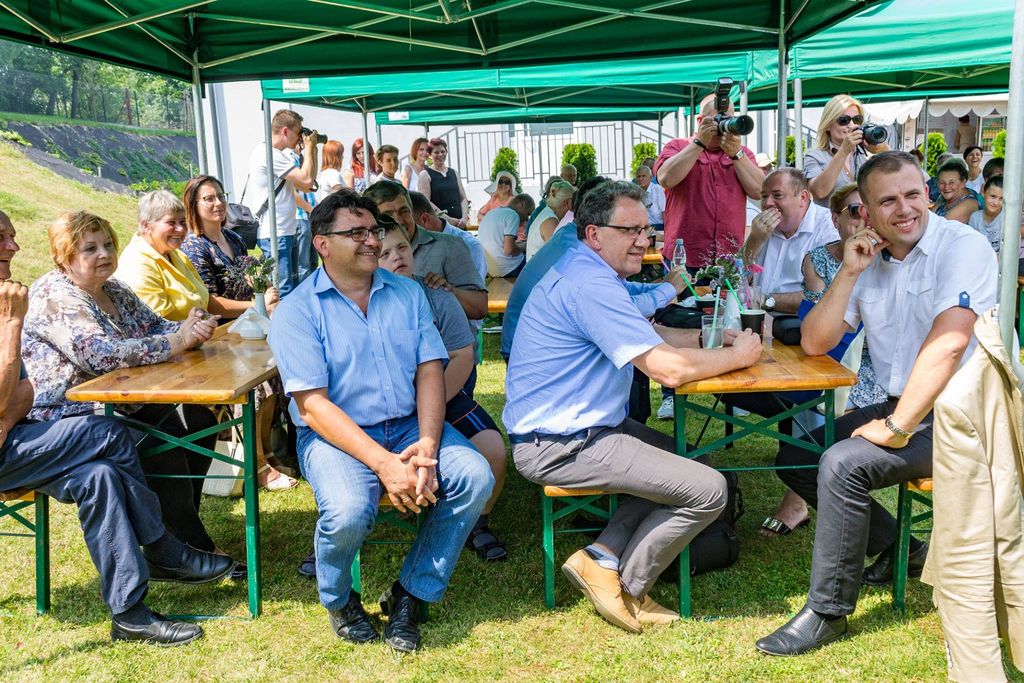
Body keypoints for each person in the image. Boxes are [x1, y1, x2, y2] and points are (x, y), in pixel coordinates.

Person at [755, 151, 997, 656]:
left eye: (913, 194)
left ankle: (827, 612)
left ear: (927, 194)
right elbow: (816, 342)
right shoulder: (867, 258)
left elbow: (950, 343)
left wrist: (898, 425)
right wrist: (847, 272)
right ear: (865, 212)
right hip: (898, 401)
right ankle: (901, 548)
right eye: (888, 201)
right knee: (797, 455)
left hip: (963, 415)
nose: (904, 209)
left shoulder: (963, 246)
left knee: (843, 463)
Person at [504, 181, 762, 633]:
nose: (644, 241)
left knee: (691, 464)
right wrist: (739, 356)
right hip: (562, 444)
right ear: (594, 234)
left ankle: (601, 555)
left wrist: (707, 340)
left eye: (646, 229)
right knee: (709, 489)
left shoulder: (591, 272)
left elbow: (650, 336)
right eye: (630, 230)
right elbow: (668, 370)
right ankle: (628, 585)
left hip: (585, 430)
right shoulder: (590, 284)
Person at [267, 190, 493, 652]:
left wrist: (427, 443)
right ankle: (339, 600)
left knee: (474, 477)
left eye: (373, 230)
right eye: (356, 233)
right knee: (349, 510)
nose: (372, 240)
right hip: (334, 436)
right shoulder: (296, 311)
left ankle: (411, 594)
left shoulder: (408, 293)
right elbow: (313, 407)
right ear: (322, 244)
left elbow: (430, 370)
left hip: (409, 424)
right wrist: (385, 464)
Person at [0, 210, 234, 646]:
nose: (14, 246)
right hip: (58, 424)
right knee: (115, 434)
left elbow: (17, 398)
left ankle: (129, 615)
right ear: (64, 256)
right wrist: (12, 328)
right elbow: (95, 358)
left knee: (102, 476)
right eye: (3, 238)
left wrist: (189, 328)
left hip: (26, 433)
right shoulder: (38, 299)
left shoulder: (18, 297)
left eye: (107, 244)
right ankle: (164, 546)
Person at [756, 183, 889, 539]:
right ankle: (802, 490)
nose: (864, 218)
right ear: (835, 219)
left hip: (875, 367)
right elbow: (817, 328)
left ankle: (799, 496)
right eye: (854, 210)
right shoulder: (818, 258)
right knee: (811, 381)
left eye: (870, 209)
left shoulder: (890, 258)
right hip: (828, 353)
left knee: (817, 390)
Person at [376, 219, 509, 561]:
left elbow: (463, 354)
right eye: (385, 253)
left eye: (402, 248)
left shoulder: (437, 295)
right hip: (387, 407)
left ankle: (477, 522)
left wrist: (430, 405)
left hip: (445, 394)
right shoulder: (366, 304)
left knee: (493, 448)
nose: (397, 257)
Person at [179, 176, 296, 492]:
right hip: (219, 336)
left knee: (275, 378)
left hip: (249, 329)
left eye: (221, 195)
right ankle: (257, 465)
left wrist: (267, 293)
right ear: (193, 205)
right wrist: (256, 304)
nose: (218, 203)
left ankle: (270, 453)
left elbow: (253, 279)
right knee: (257, 389)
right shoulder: (194, 247)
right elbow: (208, 301)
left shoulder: (233, 237)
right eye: (209, 198)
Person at [655, 92, 763, 272]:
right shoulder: (678, 146)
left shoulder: (742, 153)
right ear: (700, 121)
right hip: (685, 256)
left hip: (728, 258)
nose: (723, 125)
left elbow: (759, 191)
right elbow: (665, 179)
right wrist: (699, 144)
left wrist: (737, 154)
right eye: (717, 118)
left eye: (728, 118)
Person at [364, 181, 487, 321]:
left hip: (447, 334)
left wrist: (448, 291)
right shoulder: (367, 256)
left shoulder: (449, 246)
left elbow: (480, 308)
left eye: (404, 211)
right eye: (388, 215)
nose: (399, 220)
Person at [241, 109, 318, 297]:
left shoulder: (278, 154)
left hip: (286, 230)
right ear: (285, 131)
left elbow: (308, 185)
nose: (300, 137)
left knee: (293, 289)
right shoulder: (268, 154)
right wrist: (309, 148)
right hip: (275, 233)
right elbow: (307, 179)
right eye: (298, 132)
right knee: (283, 291)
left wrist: (313, 151)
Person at [741, 169, 839, 315]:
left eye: (777, 195)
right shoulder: (761, 229)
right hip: (756, 317)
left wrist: (765, 300)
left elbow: (825, 296)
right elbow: (735, 280)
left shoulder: (828, 228)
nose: (768, 203)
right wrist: (754, 240)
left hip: (799, 321)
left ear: (803, 197)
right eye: (764, 196)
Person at [114, 190, 221, 321]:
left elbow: (202, 300)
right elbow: (158, 323)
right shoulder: (136, 265)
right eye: (171, 222)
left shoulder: (175, 254)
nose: (180, 229)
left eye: (183, 222)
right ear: (146, 225)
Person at [804, 94, 888, 207]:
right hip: (831, 218)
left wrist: (885, 151)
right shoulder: (814, 156)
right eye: (844, 120)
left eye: (857, 120)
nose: (852, 125)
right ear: (828, 125)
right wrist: (844, 150)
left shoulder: (865, 153)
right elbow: (819, 191)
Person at [408, 190, 488, 283]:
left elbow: (475, 290)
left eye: (406, 226)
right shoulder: (406, 249)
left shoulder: (469, 245)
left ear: (424, 219)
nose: (401, 233)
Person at [477, 194, 534, 278]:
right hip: (508, 268)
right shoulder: (513, 215)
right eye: (528, 214)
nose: (526, 219)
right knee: (539, 264)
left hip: (489, 268)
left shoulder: (491, 213)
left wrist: (519, 245)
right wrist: (525, 246)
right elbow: (509, 250)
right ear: (522, 205)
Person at [418, 138, 470, 226]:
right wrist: (448, 219)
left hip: (460, 224)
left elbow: (463, 198)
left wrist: (464, 218)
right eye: (436, 152)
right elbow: (425, 202)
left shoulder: (454, 172)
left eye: (443, 151)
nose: (440, 154)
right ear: (430, 155)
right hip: (440, 225)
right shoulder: (425, 174)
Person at [525, 179, 574, 261]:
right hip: (539, 267)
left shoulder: (548, 212)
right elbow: (558, 253)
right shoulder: (550, 222)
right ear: (567, 202)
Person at [934, 159, 982, 224]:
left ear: (963, 183)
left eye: (951, 182)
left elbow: (941, 226)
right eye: (942, 182)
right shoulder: (947, 197)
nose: (946, 187)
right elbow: (929, 215)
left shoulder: (969, 203)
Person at [968, 176, 1004, 253]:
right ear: (983, 193)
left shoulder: (1006, 219)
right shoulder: (975, 217)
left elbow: (1008, 253)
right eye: (993, 196)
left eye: (1001, 198)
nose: (996, 202)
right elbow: (972, 246)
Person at [634, 165, 665, 231]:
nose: (641, 179)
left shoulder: (657, 189)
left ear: (650, 177)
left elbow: (664, 211)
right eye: (638, 176)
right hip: (644, 227)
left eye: (643, 176)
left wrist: (667, 230)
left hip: (659, 226)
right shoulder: (636, 192)